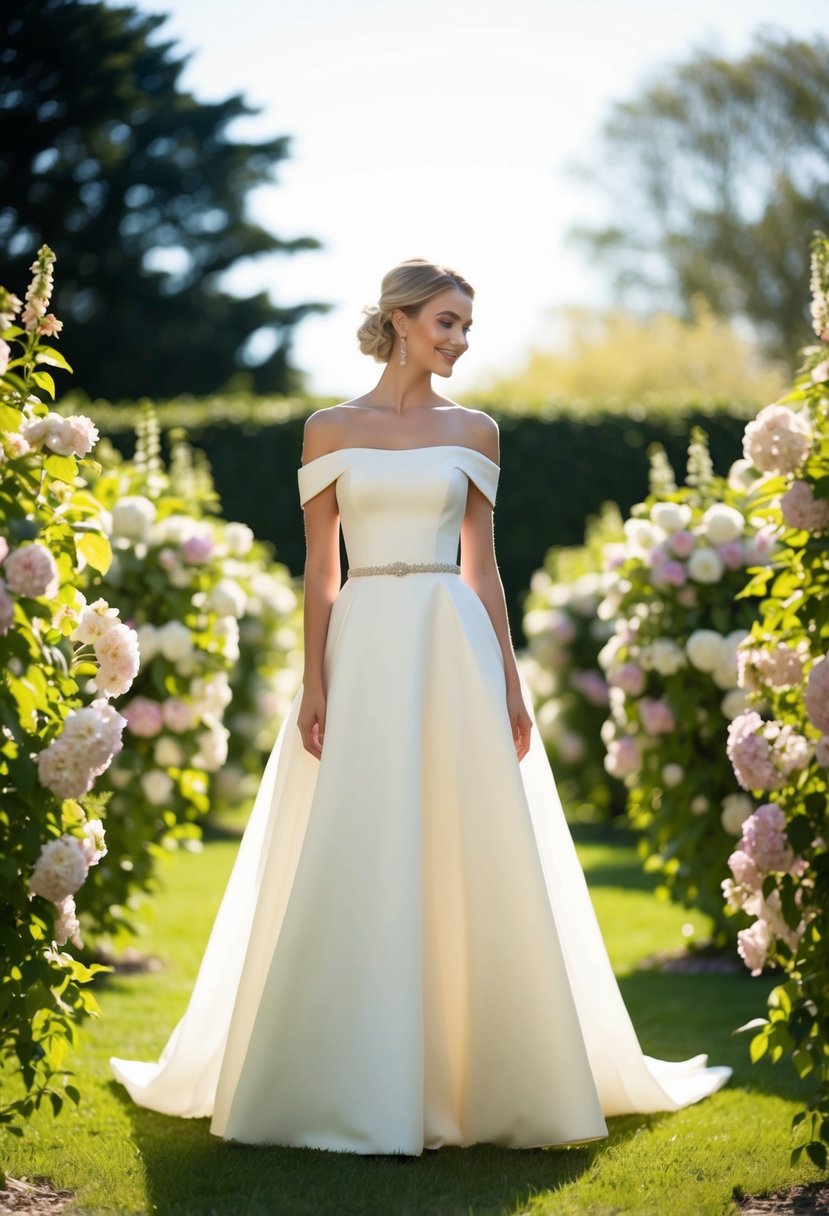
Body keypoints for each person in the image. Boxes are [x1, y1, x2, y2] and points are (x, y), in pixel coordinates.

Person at [111, 257, 731, 1155]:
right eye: (446, 323)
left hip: (451, 642)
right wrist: (315, 681)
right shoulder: (328, 430)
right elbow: (321, 574)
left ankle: (478, 1078)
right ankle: (339, 1073)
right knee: (357, 838)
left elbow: (484, 571)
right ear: (400, 321)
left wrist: (511, 685)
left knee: (464, 838)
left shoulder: (476, 433)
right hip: (363, 642)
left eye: (466, 327)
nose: (460, 341)